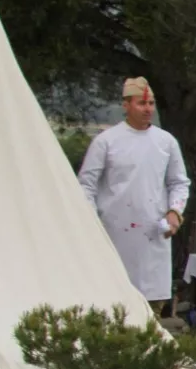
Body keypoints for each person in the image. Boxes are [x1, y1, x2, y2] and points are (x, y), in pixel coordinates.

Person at [78, 77, 190, 309]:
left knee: (152, 307)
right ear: (126, 105)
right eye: (141, 103)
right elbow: (86, 184)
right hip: (113, 234)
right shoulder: (106, 142)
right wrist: (90, 222)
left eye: (151, 103)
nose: (148, 109)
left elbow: (179, 182)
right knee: (113, 301)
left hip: (153, 233)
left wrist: (174, 212)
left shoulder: (166, 142)